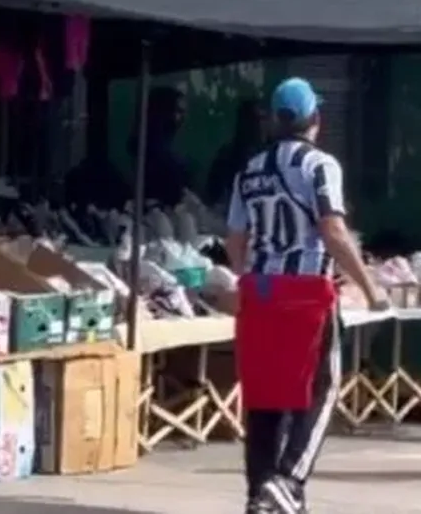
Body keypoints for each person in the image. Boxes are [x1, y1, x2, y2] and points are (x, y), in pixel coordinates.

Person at [225, 77, 388, 514]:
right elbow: (332, 229)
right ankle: (289, 479)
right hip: (307, 294)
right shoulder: (320, 166)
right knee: (321, 387)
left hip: (260, 292)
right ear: (315, 117)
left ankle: (260, 494)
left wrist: (251, 275)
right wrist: (370, 288)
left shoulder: (249, 170)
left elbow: (235, 239)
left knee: (265, 394)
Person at [134, 86, 192, 206]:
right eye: (178, 111)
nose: (182, 118)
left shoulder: (170, 152)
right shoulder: (148, 152)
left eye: (184, 112)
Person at [207, 98, 267, 206]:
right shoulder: (226, 156)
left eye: (263, 120)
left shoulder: (269, 156)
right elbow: (213, 197)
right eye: (255, 120)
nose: (260, 125)